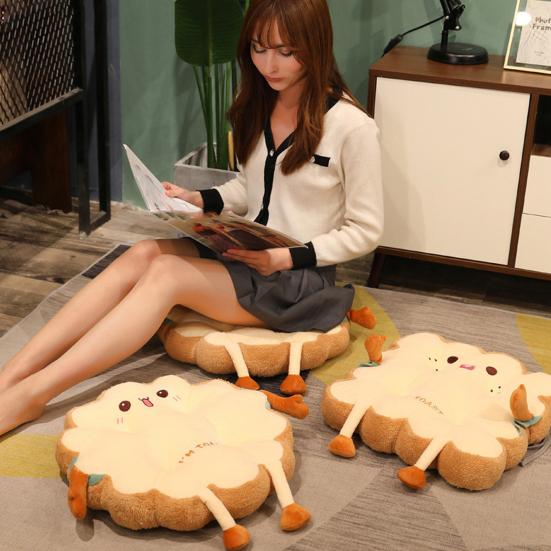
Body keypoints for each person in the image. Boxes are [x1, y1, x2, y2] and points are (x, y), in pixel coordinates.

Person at [0, 0, 383, 437]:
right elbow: (251, 185)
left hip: (297, 279)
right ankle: (12, 374)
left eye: (285, 51)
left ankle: (36, 394)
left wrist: (287, 257)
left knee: (166, 274)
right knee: (143, 252)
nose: (269, 65)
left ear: (315, 46)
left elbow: (366, 230)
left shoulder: (352, 128)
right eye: (259, 48)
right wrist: (198, 199)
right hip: (246, 250)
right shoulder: (259, 103)